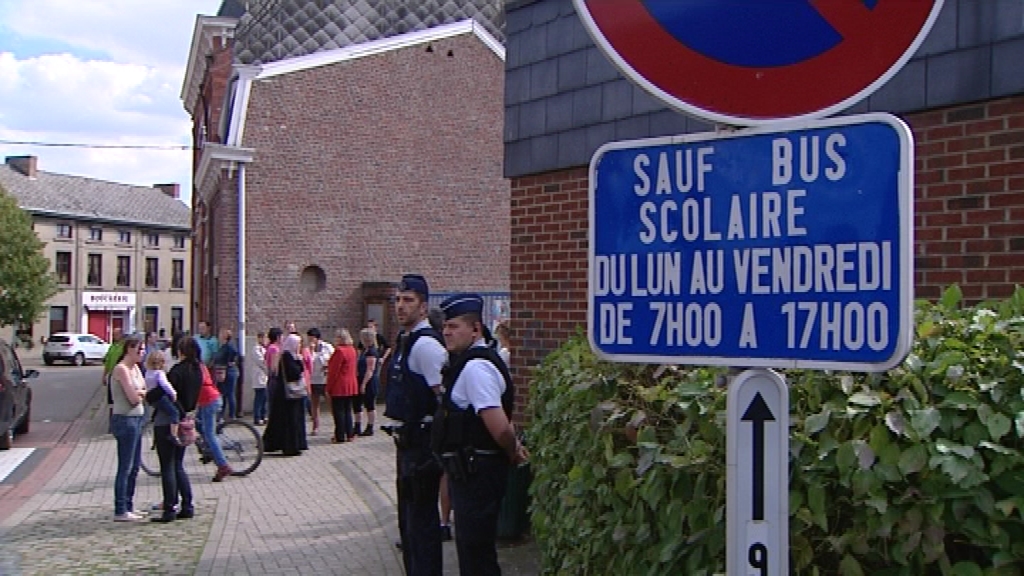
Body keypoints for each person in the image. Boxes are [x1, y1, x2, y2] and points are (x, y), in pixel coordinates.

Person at [434, 294, 528, 575]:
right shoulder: (468, 363)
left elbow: (497, 423)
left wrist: (512, 450)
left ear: (475, 329)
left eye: (454, 327)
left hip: (478, 473)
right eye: (446, 327)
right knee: (473, 551)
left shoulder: (476, 368)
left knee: (477, 555)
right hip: (471, 472)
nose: (447, 332)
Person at [385, 274, 447, 575]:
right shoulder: (406, 341)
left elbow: (446, 400)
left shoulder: (426, 346)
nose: (400, 306)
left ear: (424, 308)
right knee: (409, 525)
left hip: (422, 448)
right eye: (398, 300)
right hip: (408, 445)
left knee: (421, 526)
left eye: (408, 301)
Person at [153, 338, 204, 523]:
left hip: (169, 421)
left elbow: (164, 392)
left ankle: (169, 508)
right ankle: (187, 504)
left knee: (167, 465)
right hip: (186, 419)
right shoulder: (198, 370)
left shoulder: (178, 371)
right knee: (178, 465)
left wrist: (148, 393)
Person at [109, 333, 147, 522]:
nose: (142, 352)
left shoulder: (136, 369)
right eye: (139, 349)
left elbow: (144, 390)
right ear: (130, 349)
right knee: (126, 465)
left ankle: (129, 505)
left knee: (135, 466)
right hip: (125, 419)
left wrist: (140, 392)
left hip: (138, 419)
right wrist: (140, 393)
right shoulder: (121, 369)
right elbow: (132, 399)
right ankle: (120, 508)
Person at [263, 331, 309, 456]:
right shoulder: (287, 356)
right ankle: (290, 446)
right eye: (298, 344)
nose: (299, 346)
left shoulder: (292, 355)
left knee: (296, 419)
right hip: (287, 395)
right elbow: (293, 373)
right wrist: (299, 363)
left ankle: (298, 444)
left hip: (293, 395)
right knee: (290, 421)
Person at [195, 351, 234, 482]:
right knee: (199, 425)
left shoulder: (195, 367)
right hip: (209, 399)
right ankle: (209, 450)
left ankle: (223, 465)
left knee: (209, 434)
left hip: (209, 401)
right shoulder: (200, 365)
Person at [326, 329, 358, 443]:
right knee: (347, 410)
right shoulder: (352, 350)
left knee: (338, 411)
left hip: (340, 385)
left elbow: (334, 371)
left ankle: (340, 435)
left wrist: (328, 387)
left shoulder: (339, 351)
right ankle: (350, 434)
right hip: (351, 384)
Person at [144, 350, 181, 445]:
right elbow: (165, 384)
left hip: (151, 398)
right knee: (174, 413)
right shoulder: (159, 373)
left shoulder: (148, 372)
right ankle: (174, 435)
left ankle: (156, 439)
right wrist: (173, 393)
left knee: (160, 413)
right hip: (160, 397)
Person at [307, 328, 334, 436]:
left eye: (312, 338)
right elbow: (308, 362)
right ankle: (315, 426)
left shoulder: (327, 347)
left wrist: (327, 366)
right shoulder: (308, 349)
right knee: (314, 403)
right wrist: (311, 351)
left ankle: (336, 424)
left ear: (317, 338)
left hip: (325, 379)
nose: (310, 340)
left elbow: (332, 359)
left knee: (330, 402)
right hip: (314, 379)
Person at [354, 328, 380, 437]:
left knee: (369, 404)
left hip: (369, 381)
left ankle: (370, 426)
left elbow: (370, 369)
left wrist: (364, 384)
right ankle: (357, 425)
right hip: (360, 379)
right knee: (357, 404)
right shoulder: (364, 350)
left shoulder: (371, 351)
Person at [213, 329, 240, 420]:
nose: (219, 335)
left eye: (221, 334)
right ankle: (222, 414)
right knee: (223, 393)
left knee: (230, 393)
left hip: (229, 372)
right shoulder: (223, 346)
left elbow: (234, 354)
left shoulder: (229, 346)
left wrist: (229, 363)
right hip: (222, 371)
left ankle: (232, 415)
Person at [103, 327, 125, 433]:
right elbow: (107, 362)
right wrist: (104, 375)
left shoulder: (123, 347)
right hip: (112, 375)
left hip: (121, 376)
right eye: (113, 334)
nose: (114, 336)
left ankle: (117, 425)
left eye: (116, 334)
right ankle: (112, 425)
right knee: (111, 402)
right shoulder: (112, 347)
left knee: (119, 401)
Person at [249, 332, 269, 425]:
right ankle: (257, 417)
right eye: (264, 338)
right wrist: (268, 366)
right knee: (259, 397)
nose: (265, 341)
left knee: (264, 397)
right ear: (259, 338)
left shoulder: (264, 349)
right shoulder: (256, 349)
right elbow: (261, 361)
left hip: (264, 376)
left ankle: (263, 415)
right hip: (259, 376)